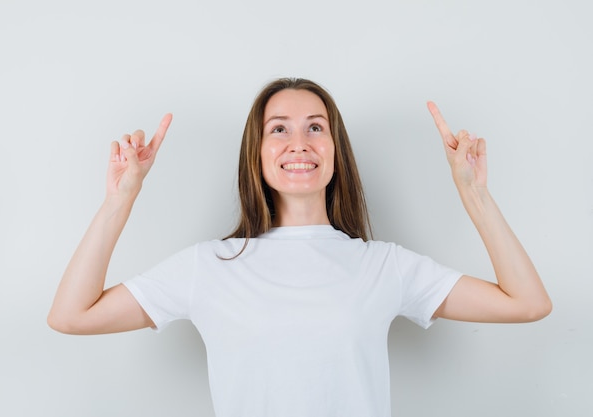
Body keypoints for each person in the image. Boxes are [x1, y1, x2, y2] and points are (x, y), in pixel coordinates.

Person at [48, 78, 551, 416]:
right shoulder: (209, 266)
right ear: (257, 153)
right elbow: (71, 315)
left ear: (335, 150)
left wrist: (475, 195)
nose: (299, 142)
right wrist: (120, 200)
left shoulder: (383, 266)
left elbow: (527, 304)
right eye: (279, 129)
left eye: (316, 127)